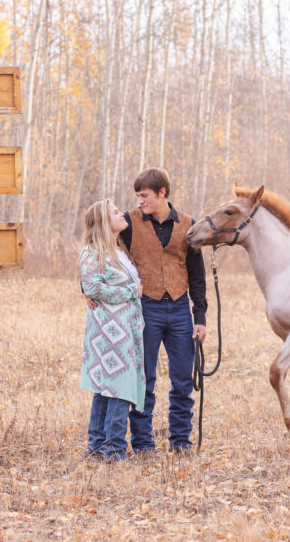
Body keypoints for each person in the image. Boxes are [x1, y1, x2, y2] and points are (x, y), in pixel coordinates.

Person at [121, 168, 207, 454]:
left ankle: (181, 442)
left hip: (181, 308)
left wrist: (201, 318)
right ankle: (143, 444)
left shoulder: (188, 225)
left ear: (162, 194)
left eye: (144, 196)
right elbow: (99, 249)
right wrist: (87, 287)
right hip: (145, 307)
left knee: (183, 380)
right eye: (137, 196)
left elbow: (197, 276)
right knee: (143, 379)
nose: (140, 201)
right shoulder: (128, 222)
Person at [79, 199, 146, 461]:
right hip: (108, 332)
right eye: (115, 212)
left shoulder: (118, 250)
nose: (122, 213)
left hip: (125, 329)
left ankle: (97, 443)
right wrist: (131, 291)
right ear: (105, 222)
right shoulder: (93, 251)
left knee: (109, 386)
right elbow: (93, 287)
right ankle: (114, 448)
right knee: (118, 386)